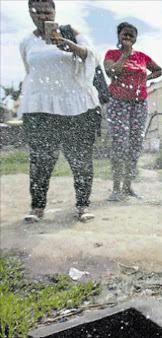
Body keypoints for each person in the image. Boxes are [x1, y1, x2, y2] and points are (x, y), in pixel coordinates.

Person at [19, 0, 100, 223]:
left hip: (77, 107)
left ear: (54, 12)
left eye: (48, 11)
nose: (43, 16)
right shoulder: (26, 42)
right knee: (41, 159)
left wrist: (72, 46)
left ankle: (83, 205)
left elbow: (92, 55)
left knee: (80, 159)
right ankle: (37, 208)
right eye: (37, 11)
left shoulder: (70, 32)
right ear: (30, 13)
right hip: (41, 109)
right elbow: (30, 73)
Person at [104, 22, 162, 201]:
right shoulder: (112, 54)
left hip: (139, 104)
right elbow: (111, 72)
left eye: (131, 36)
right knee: (119, 144)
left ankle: (128, 186)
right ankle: (116, 188)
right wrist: (125, 55)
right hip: (118, 103)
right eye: (125, 35)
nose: (128, 38)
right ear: (119, 36)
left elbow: (158, 70)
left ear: (135, 38)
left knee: (135, 144)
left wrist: (146, 79)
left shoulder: (142, 56)